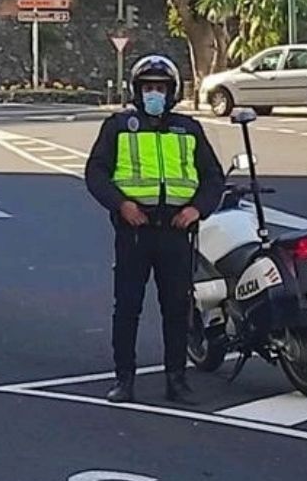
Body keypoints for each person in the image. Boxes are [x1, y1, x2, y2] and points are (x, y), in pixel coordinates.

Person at [85, 55, 224, 404]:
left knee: (177, 309)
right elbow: (96, 173)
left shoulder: (189, 129)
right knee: (128, 307)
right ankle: (124, 380)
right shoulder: (118, 126)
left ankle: (176, 380)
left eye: (160, 88)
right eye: (147, 87)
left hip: (177, 233)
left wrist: (197, 209)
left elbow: (212, 177)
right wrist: (122, 204)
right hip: (135, 232)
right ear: (136, 90)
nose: (154, 94)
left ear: (172, 91)